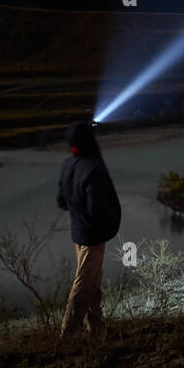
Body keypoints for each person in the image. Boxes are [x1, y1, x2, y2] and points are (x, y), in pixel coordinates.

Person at [56, 120, 121, 341]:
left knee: (92, 281)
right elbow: (98, 208)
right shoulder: (94, 168)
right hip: (93, 237)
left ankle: (97, 329)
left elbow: (62, 202)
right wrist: (109, 221)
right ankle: (67, 334)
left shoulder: (67, 165)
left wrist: (79, 213)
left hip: (79, 234)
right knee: (83, 283)